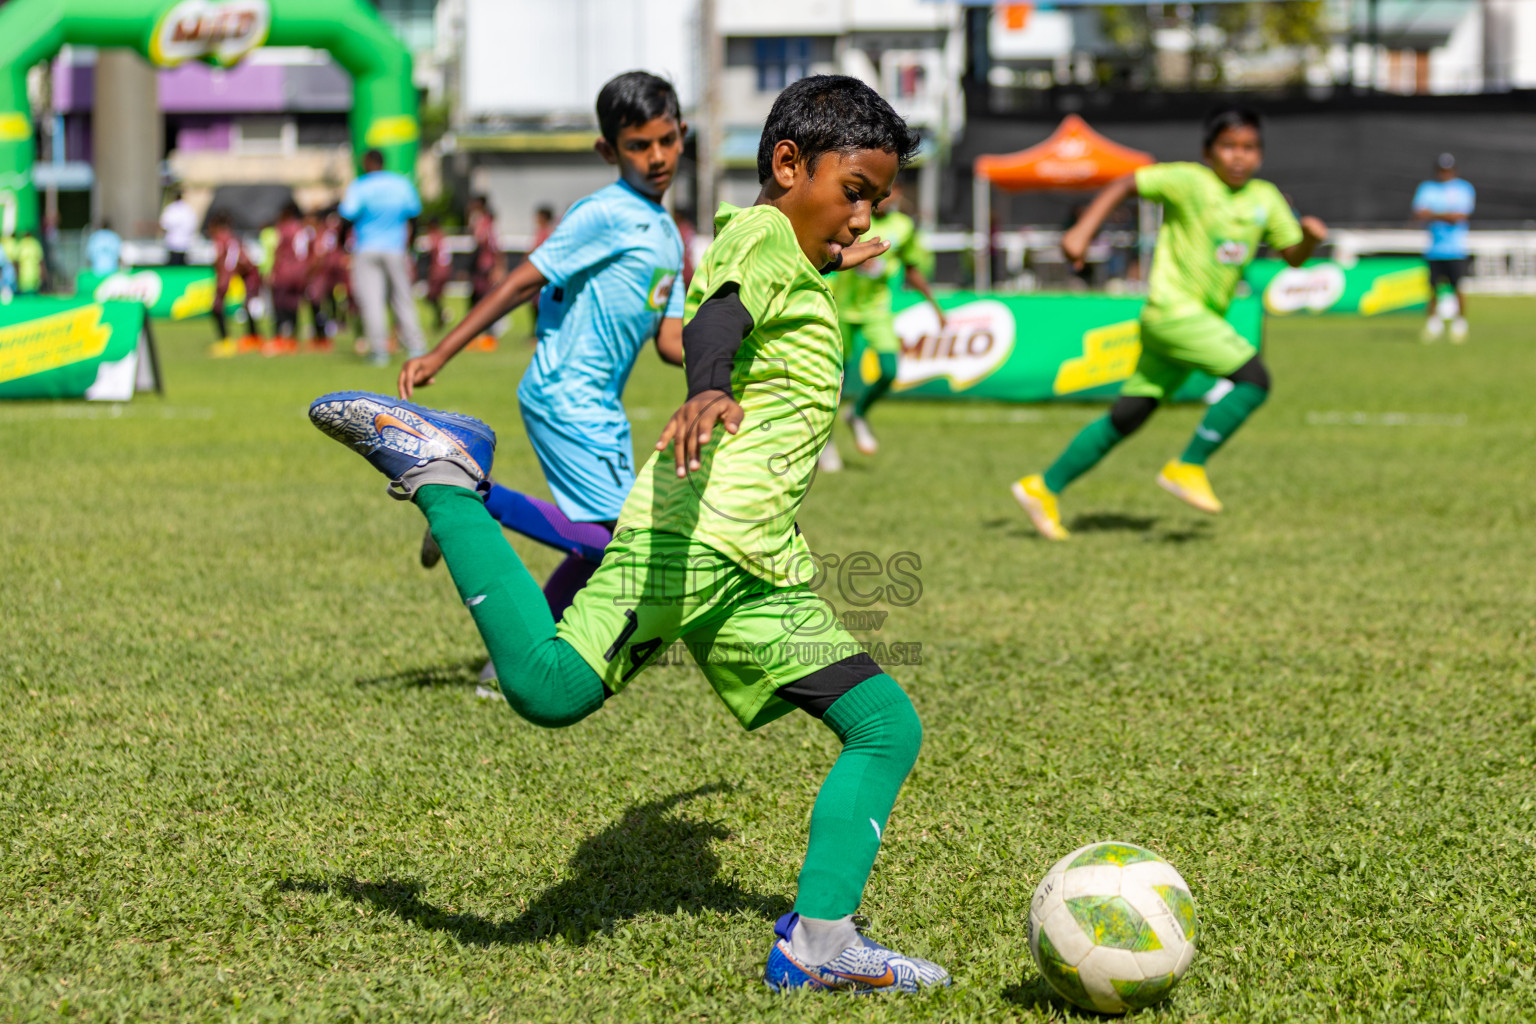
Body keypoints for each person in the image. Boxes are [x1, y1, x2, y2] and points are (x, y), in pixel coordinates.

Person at [310, 74, 948, 993]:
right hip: (694, 546)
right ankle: (446, 477)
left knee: (884, 726)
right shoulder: (763, 235)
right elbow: (719, 314)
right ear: (787, 164)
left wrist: (833, 257)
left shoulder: (788, 247)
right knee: (547, 689)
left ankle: (820, 947)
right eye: (854, 192)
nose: (862, 216)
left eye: (876, 202)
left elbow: (759, 291)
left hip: (755, 568)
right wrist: (706, 387)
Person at [402, 71, 689, 637]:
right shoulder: (604, 213)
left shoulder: (667, 234)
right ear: (608, 150)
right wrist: (439, 354)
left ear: (683, 134)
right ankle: (469, 499)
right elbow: (519, 283)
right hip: (566, 393)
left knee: (600, 552)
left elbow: (671, 341)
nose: (656, 156)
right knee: (619, 544)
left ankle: (517, 658)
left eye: (667, 139)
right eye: (638, 145)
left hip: (598, 403)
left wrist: (747, 348)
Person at [1012, 106, 1328, 540]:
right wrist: (1082, 231)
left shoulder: (1264, 198)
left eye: (1250, 148)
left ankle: (1042, 488)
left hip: (1189, 324)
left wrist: (1308, 238)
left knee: (1130, 415)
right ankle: (1188, 465)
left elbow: (1292, 254)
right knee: (1254, 380)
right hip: (1174, 312)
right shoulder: (1190, 181)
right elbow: (1127, 182)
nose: (1239, 156)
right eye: (1229, 146)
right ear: (1208, 151)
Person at [824, 181, 944, 468]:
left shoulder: (903, 227)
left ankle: (857, 413)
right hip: (842, 308)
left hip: (876, 310)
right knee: (833, 381)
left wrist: (934, 306)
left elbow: (912, 267)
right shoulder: (851, 217)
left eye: (895, 189)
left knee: (890, 370)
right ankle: (825, 444)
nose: (889, 195)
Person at [338, 149, 427, 366]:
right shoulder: (401, 184)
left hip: (366, 248)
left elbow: (346, 219)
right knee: (402, 297)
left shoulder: (361, 186)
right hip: (395, 248)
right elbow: (414, 217)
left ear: (368, 163)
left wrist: (342, 245)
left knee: (372, 300)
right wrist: (410, 244)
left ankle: (379, 351)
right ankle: (416, 347)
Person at [1413, 153, 1475, 344]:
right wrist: (1445, 215)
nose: (1445, 174)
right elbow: (1419, 213)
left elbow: (1459, 216)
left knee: (1457, 287)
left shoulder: (1464, 188)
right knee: (1432, 288)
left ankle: (1460, 324)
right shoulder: (1428, 188)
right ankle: (1433, 324)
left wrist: (1434, 213)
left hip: (1456, 248)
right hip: (1434, 248)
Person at [206, 210, 263, 357]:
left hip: (248, 275)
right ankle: (252, 338)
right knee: (247, 305)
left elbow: (229, 263)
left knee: (218, 305)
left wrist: (223, 283)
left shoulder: (222, 239)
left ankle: (228, 341)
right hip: (248, 274)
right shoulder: (230, 238)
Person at [267, 202, 309, 355]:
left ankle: (279, 338)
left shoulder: (284, 229)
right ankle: (292, 338)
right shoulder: (302, 229)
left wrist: (273, 272)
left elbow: (279, 252)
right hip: (299, 272)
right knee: (293, 304)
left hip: (285, 272)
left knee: (279, 304)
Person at [422, 216, 453, 328]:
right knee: (436, 296)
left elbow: (431, 250)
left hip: (437, 271)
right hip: (446, 270)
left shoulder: (434, 237)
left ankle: (443, 315)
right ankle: (441, 316)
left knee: (430, 297)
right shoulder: (443, 236)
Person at [160, 188, 198, 267]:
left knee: (174, 266)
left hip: (174, 244)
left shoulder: (170, 209)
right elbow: (192, 225)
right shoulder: (188, 209)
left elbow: (164, 225)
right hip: (184, 244)